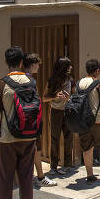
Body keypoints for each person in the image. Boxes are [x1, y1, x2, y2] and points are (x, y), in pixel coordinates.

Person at [0, 47, 37, 199]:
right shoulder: (31, 82)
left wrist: (2, 129)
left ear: (6, 62)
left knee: (5, 178)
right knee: (26, 177)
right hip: (29, 136)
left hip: (7, 139)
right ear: (22, 62)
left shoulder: (2, 84)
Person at [24, 53, 57, 187]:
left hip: (27, 119)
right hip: (31, 119)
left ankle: (32, 176)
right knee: (35, 148)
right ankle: (40, 176)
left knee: (31, 149)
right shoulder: (29, 80)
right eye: (37, 64)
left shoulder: (24, 79)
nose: (38, 67)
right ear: (32, 65)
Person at [44, 57, 75, 176]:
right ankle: (53, 166)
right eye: (69, 66)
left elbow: (75, 96)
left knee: (68, 137)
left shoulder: (71, 80)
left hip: (67, 111)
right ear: (64, 67)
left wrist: (69, 98)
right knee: (54, 138)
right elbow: (44, 98)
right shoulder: (52, 81)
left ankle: (67, 165)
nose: (71, 68)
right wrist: (55, 96)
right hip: (55, 111)